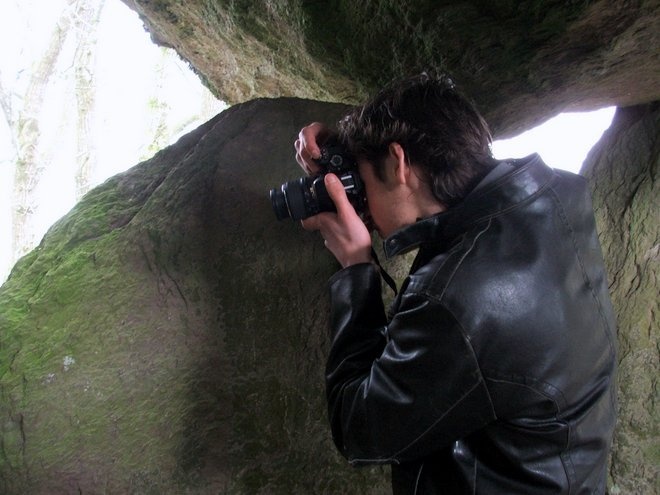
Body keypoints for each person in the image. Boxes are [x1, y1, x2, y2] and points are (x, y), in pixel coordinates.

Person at [294, 73, 617, 494]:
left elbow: (359, 431)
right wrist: (345, 150)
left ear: (399, 162)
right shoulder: (556, 196)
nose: (364, 207)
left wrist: (356, 268)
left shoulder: (459, 301)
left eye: (365, 183)